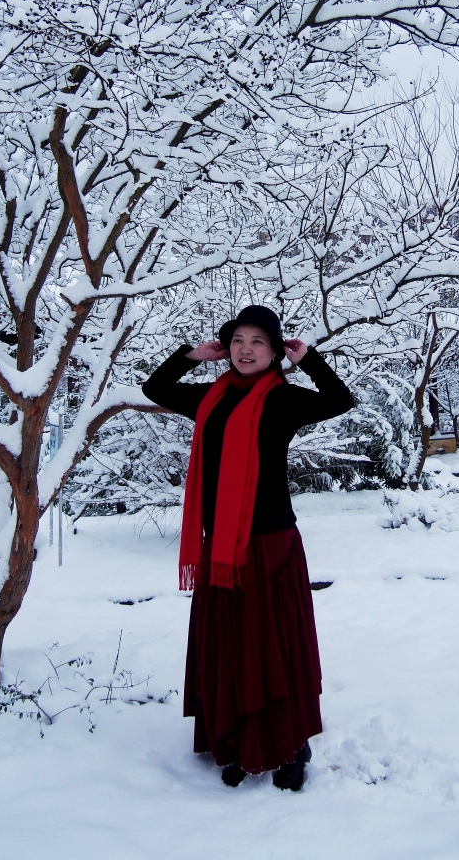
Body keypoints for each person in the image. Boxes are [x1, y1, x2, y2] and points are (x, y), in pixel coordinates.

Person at [142, 304, 354, 790]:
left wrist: (310, 362)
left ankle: (289, 747)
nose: (245, 349)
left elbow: (341, 399)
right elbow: (155, 389)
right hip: (220, 545)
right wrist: (191, 357)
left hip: (270, 544)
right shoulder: (210, 397)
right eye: (238, 340)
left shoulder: (283, 400)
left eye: (257, 341)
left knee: (274, 645)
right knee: (231, 643)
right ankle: (235, 740)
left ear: (275, 350)